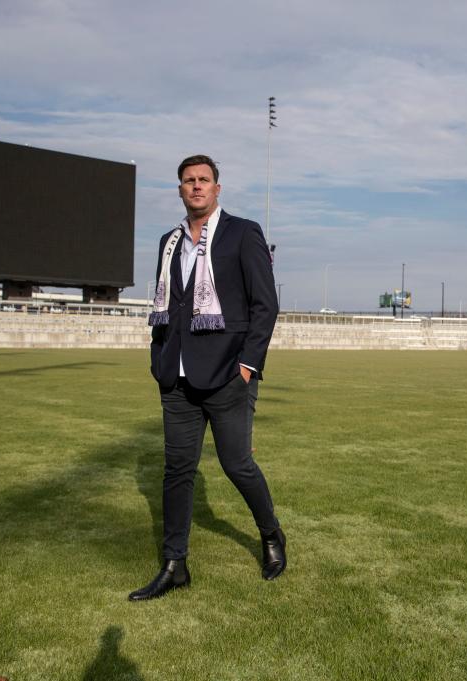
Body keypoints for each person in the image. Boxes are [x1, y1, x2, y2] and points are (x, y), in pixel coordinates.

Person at [129, 155, 284, 601]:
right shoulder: (169, 240)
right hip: (175, 376)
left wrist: (247, 365)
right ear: (180, 190)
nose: (196, 187)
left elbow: (264, 305)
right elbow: (168, 305)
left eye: (204, 180)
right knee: (177, 470)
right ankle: (174, 564)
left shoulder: (243, 232)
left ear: (217, 188)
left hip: (227, 375)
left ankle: (271, 535)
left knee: (237, 464)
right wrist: (158, 357)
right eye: (188, 181)